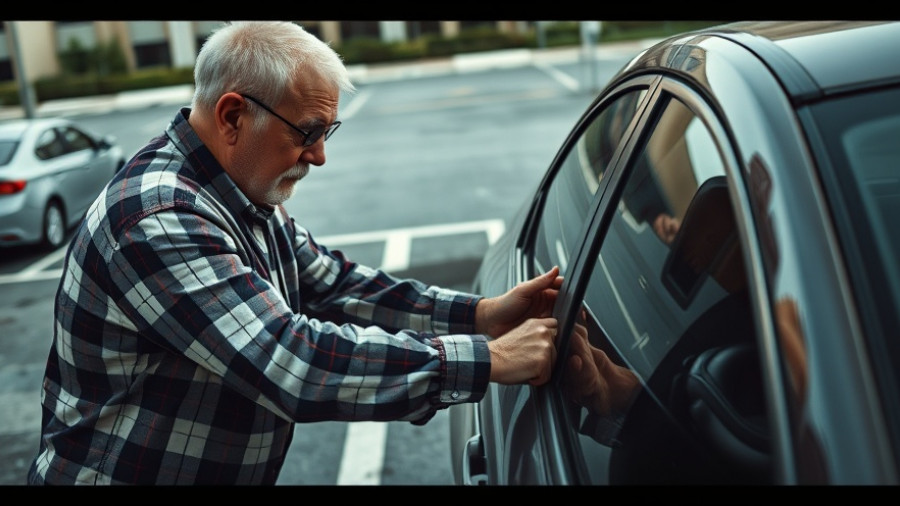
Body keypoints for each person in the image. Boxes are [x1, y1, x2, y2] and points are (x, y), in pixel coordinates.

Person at [27, 21, 564, 485]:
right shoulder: (156, 218)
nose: (320, 155)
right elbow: (291, 361)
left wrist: (479, 314)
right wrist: (487, 359)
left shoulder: (239, 191)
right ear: (233, 117)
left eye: (327, 131)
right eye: (307, 131)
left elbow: (332, 285)